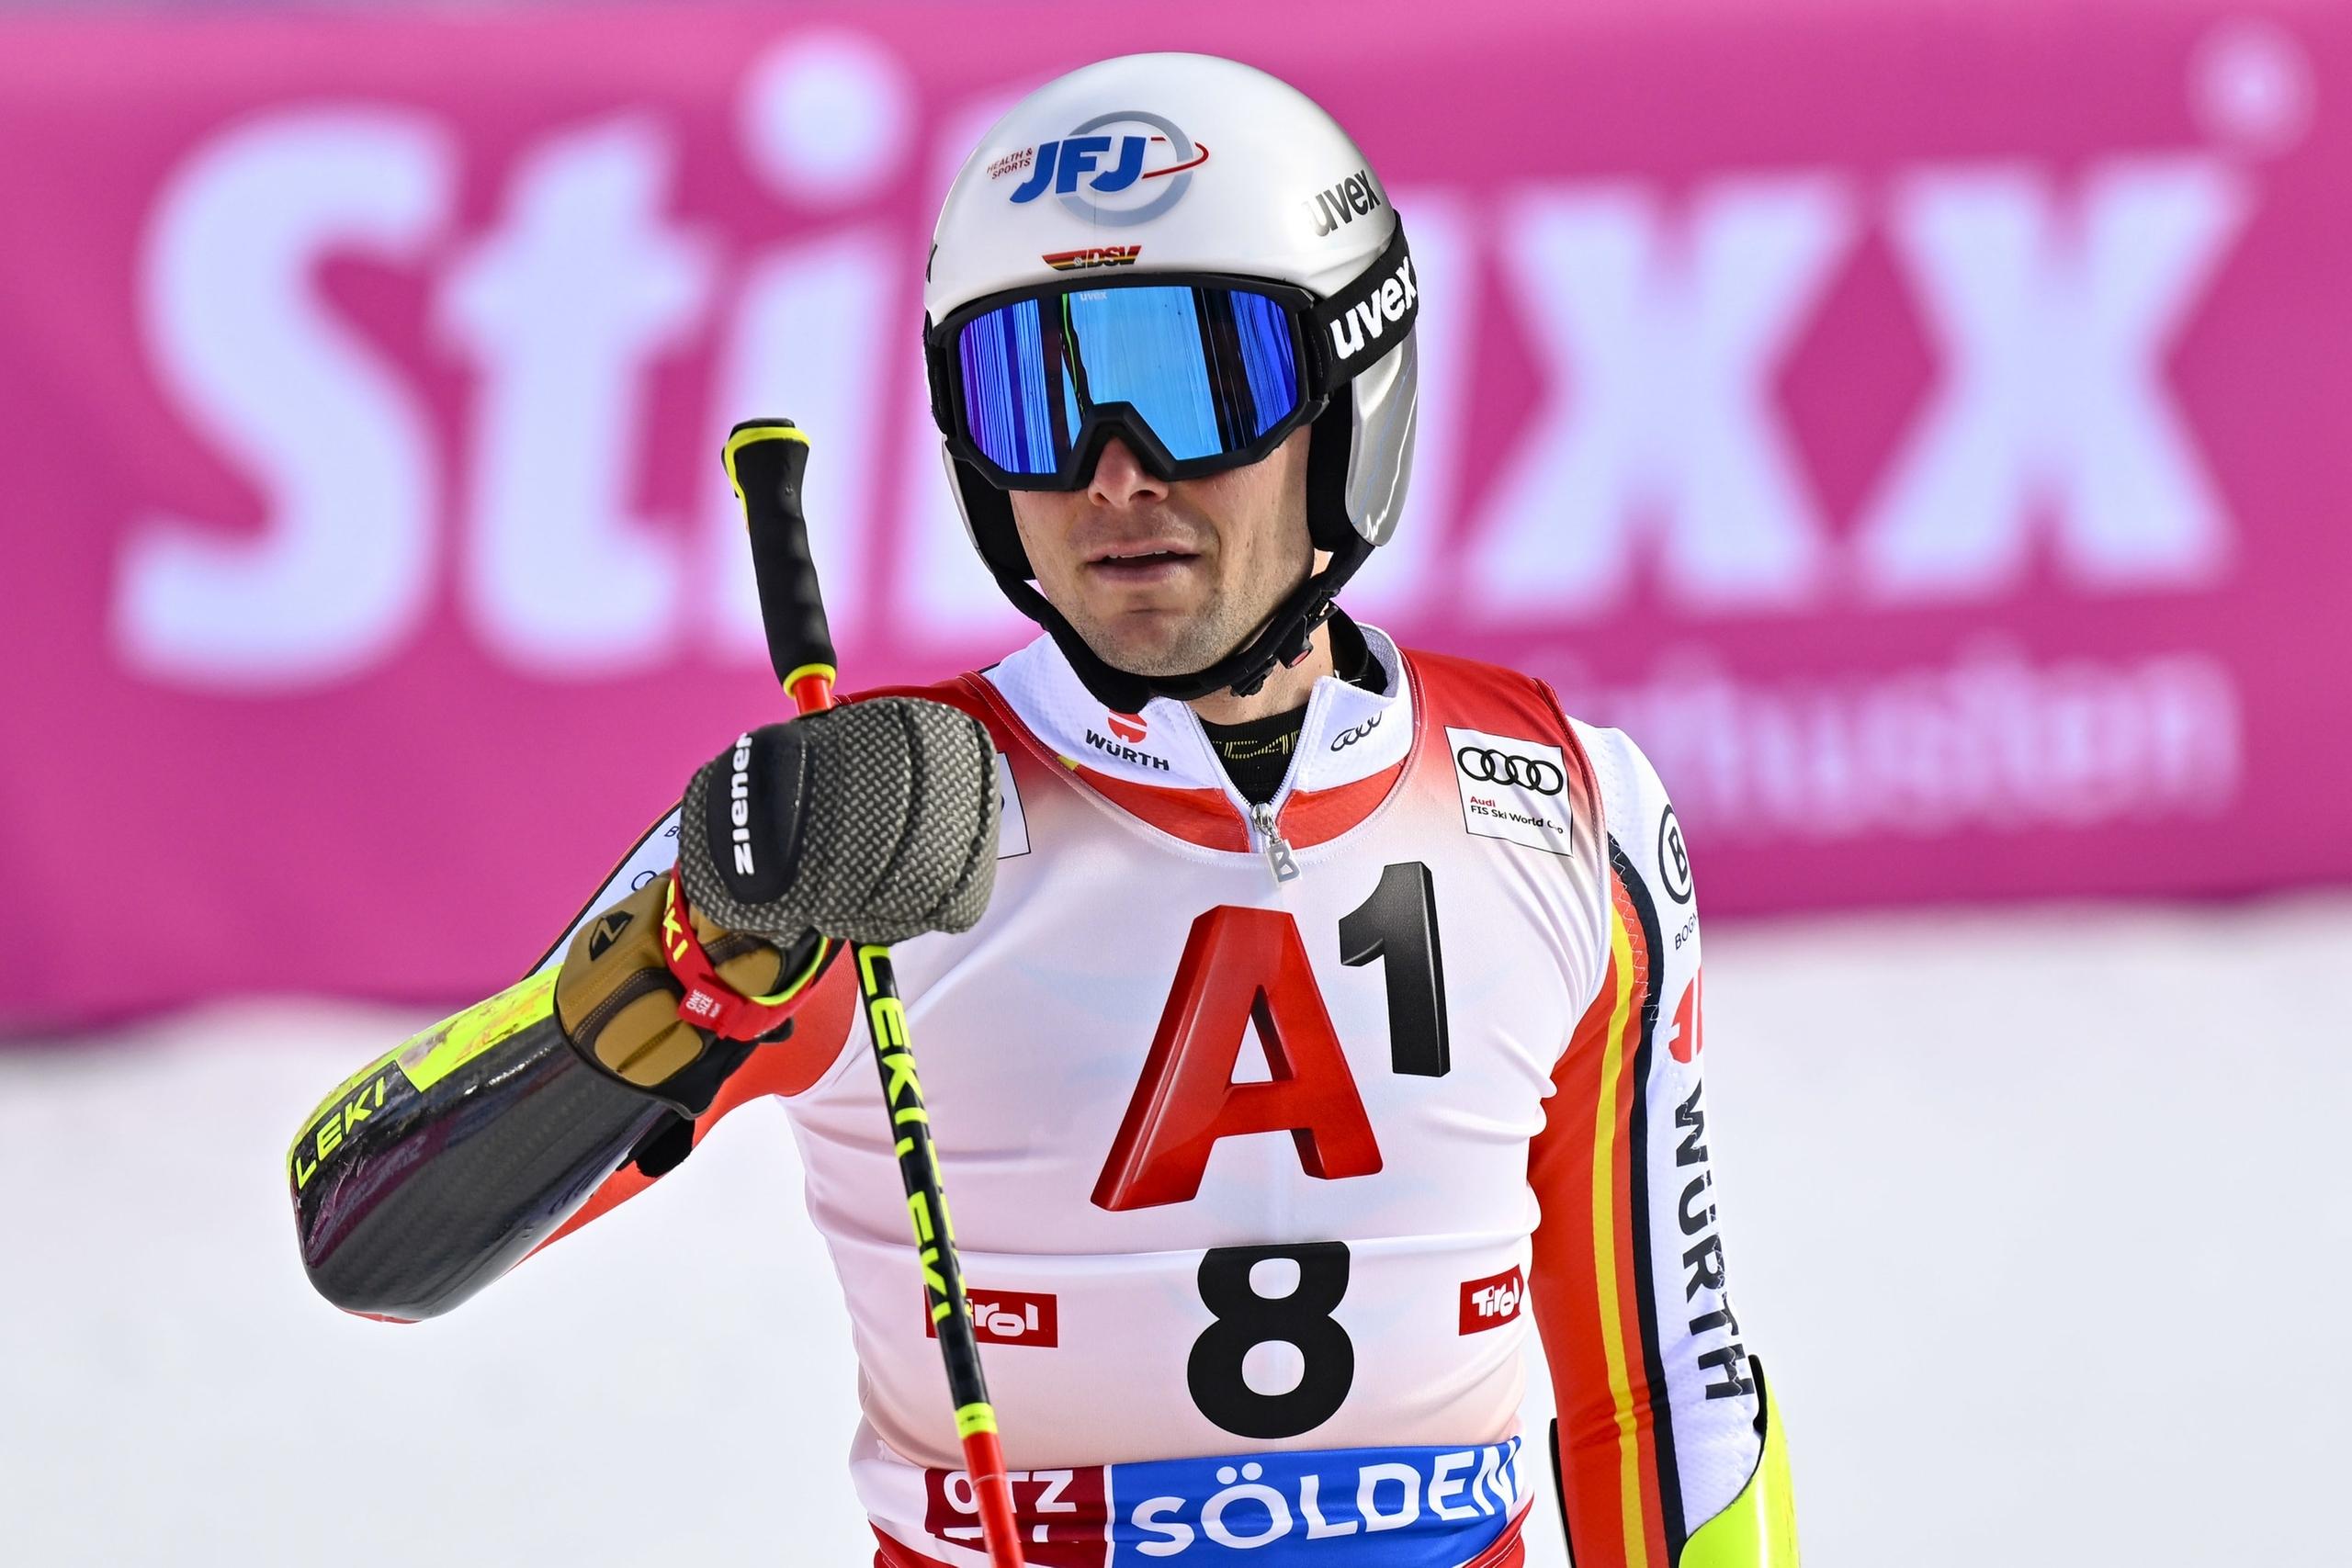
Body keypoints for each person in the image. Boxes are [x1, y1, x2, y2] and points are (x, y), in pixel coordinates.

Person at [287, 52, 1797, 1568]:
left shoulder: (1561, 803)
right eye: (1036, 395)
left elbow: (1662, 1393)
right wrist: (697, 961)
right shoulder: (857, 824)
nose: (1113, 473)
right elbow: (362, 1230)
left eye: (1200, 379)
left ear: (1356, 389)